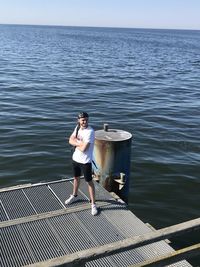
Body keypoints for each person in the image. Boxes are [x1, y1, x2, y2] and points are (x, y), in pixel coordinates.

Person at [65, 112, 98, 216]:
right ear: (78, 120)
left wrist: (76, 143)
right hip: (75, 159)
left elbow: (84, 149)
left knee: (89, 182)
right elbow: (70, 140)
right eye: (83, 120)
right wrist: (79, 143)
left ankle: (93, 204)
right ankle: (74, 195)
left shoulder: (90, 131)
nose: (85, 122)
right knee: (76, 178)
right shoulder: (77, 128)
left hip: (85, 161)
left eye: (86, 120)